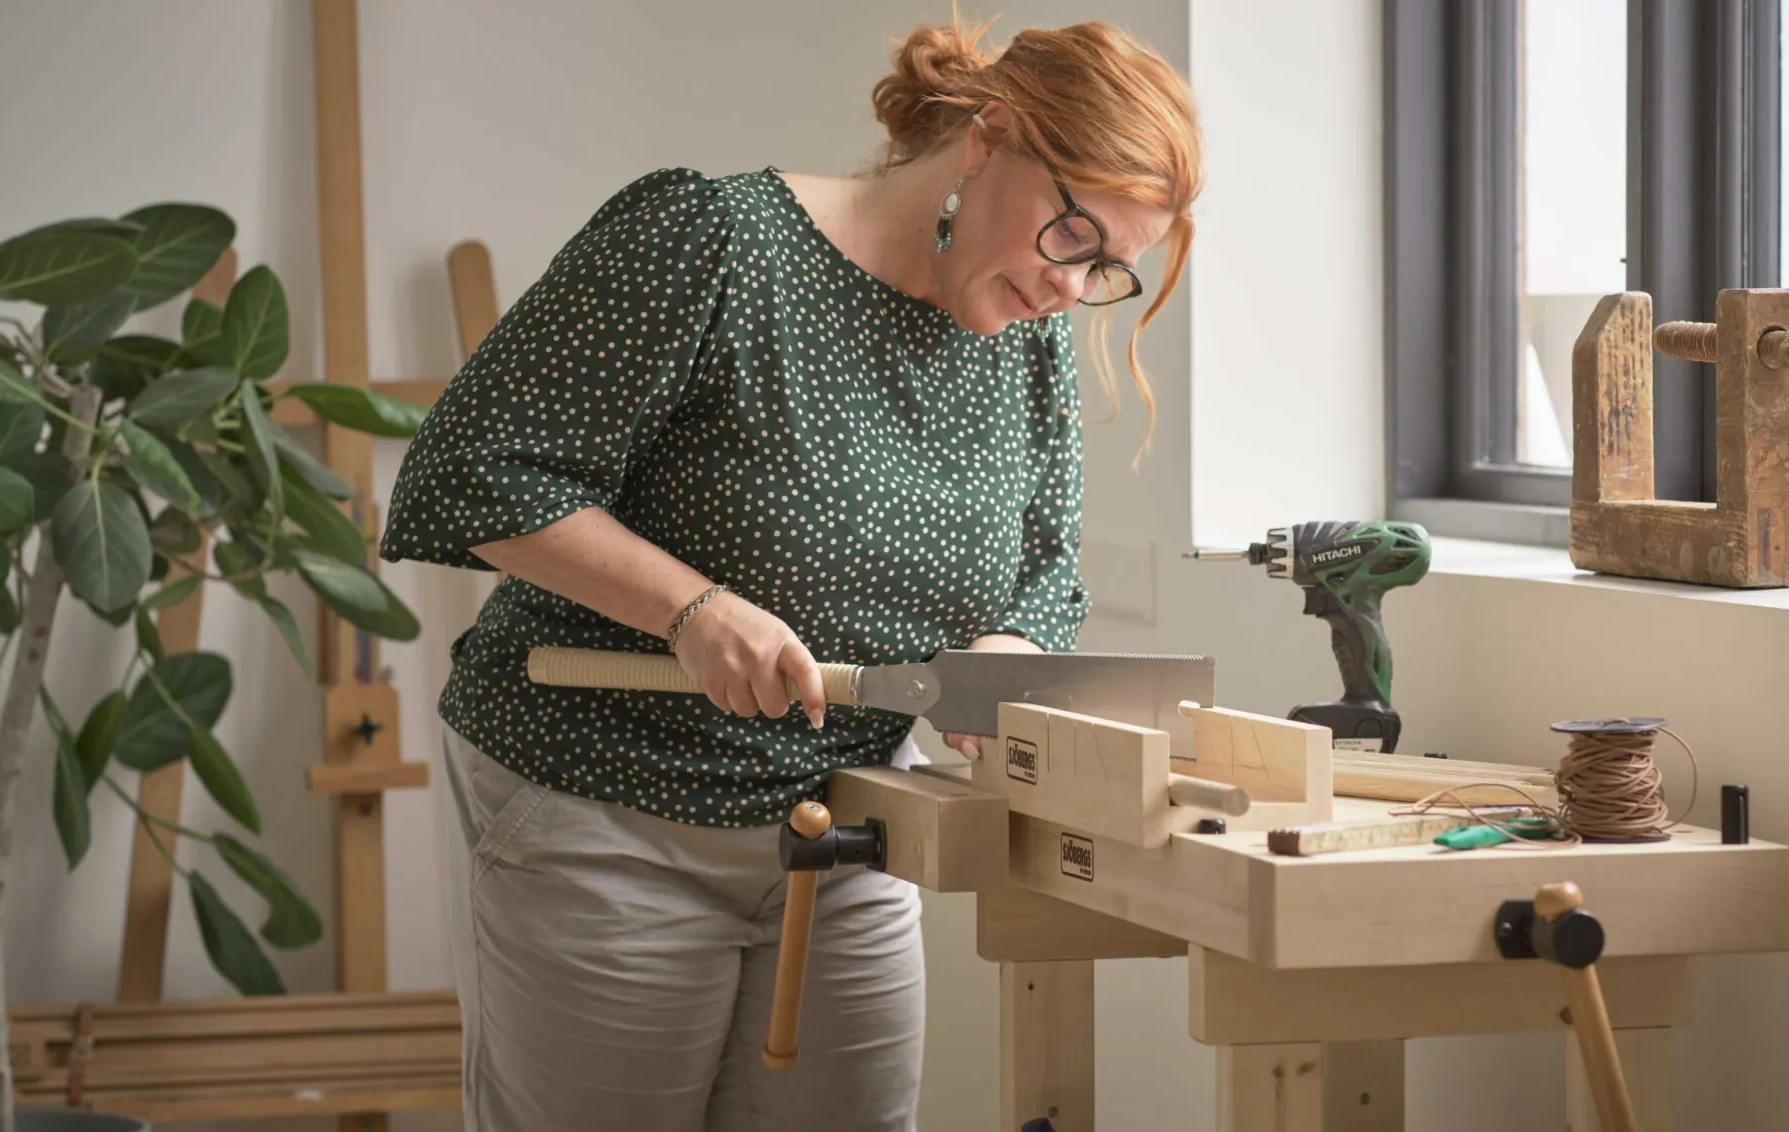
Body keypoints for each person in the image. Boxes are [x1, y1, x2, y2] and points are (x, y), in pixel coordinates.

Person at [376, 12, 1201, 1131]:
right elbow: (470, 471)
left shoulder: (1022, 330)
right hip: (604, 813)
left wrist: (1008, 651)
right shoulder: (712, 242)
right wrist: (690, 610)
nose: (1074, 286)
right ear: (991, 137)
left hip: (842, 833)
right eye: (1075, 235)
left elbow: (1047, 571)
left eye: (1111, 269)